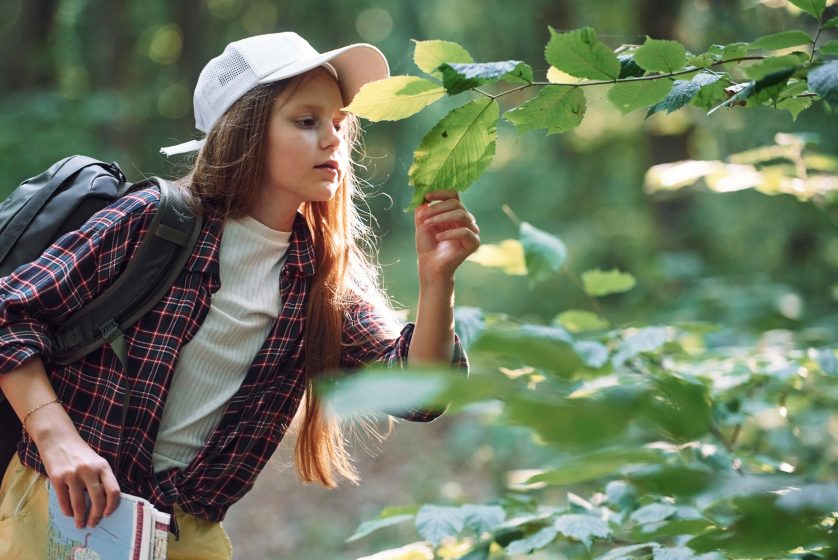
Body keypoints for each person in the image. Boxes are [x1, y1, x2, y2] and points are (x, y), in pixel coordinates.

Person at [0, 32, 479, 559]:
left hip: (184, 536)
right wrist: (56, 438)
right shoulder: (153, 222)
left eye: (340, 125)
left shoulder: (319, 276)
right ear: (245, 132)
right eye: (306, 121)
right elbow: (11, 315)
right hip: (65, 505)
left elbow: (417, 394)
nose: (333, 140)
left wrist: (439, 280)